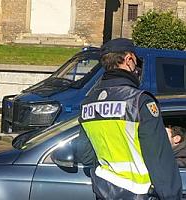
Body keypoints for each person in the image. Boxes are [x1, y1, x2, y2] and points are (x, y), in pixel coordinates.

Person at [75, 38, 182, 199]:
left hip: (104, 192)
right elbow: (159, 159)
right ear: (129, 59)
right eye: (136, 62)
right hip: (138, 193)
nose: (137, 68)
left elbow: (86, 155)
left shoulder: (88, 103)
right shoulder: (139, 101)